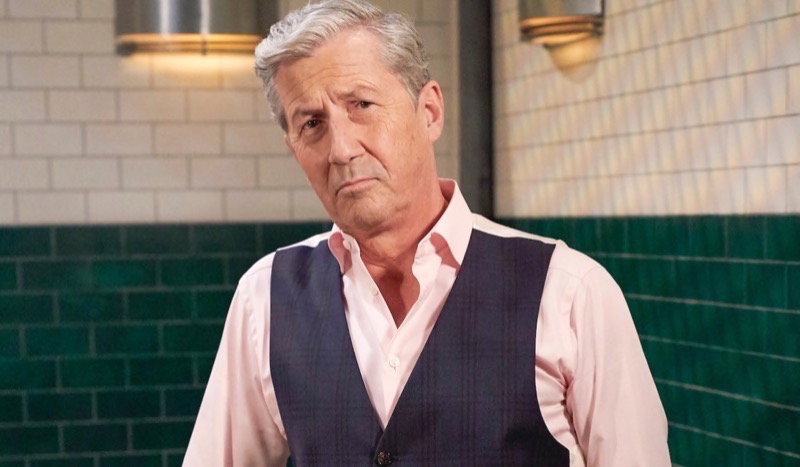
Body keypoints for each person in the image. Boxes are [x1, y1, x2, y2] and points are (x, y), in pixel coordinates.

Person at [183, 0, 671, 465]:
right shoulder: (265, 299)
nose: (341, 149)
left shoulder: (569, 293)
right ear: (294, 148)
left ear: (430, 112)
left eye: (362, 104)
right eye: (312, 123)